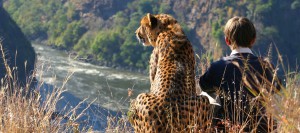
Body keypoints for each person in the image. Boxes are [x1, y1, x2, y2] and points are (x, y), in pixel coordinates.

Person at [199, 16, 281, 132]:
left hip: (228, 128)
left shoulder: (218, 66)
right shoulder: (267, 66)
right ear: (253, 39)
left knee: (207, 95)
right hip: (262, 128)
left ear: (227, 40)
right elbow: (277, 88)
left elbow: (204, 85)